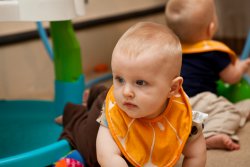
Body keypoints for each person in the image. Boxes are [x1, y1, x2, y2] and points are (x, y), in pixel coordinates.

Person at [57, 22, 207, 167]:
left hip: (123, 102)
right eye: (119, 79)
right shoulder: (114, 114)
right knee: (87, 149)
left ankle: (97, 93)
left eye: (140, 83)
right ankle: (75, 112)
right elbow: (107, 156)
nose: (127, 91)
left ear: (172, 88)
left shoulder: (183, 116)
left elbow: (196, 154)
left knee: (108, 94)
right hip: (103, 117)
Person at [165, 0, 250, 151]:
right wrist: (241, 67)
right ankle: (209, 136)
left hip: (171, 105)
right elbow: (231, 77)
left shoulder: (170, 50)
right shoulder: (213, 52)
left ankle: (184, 130)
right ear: (211, 28)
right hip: (199, 101)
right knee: (229, 111)